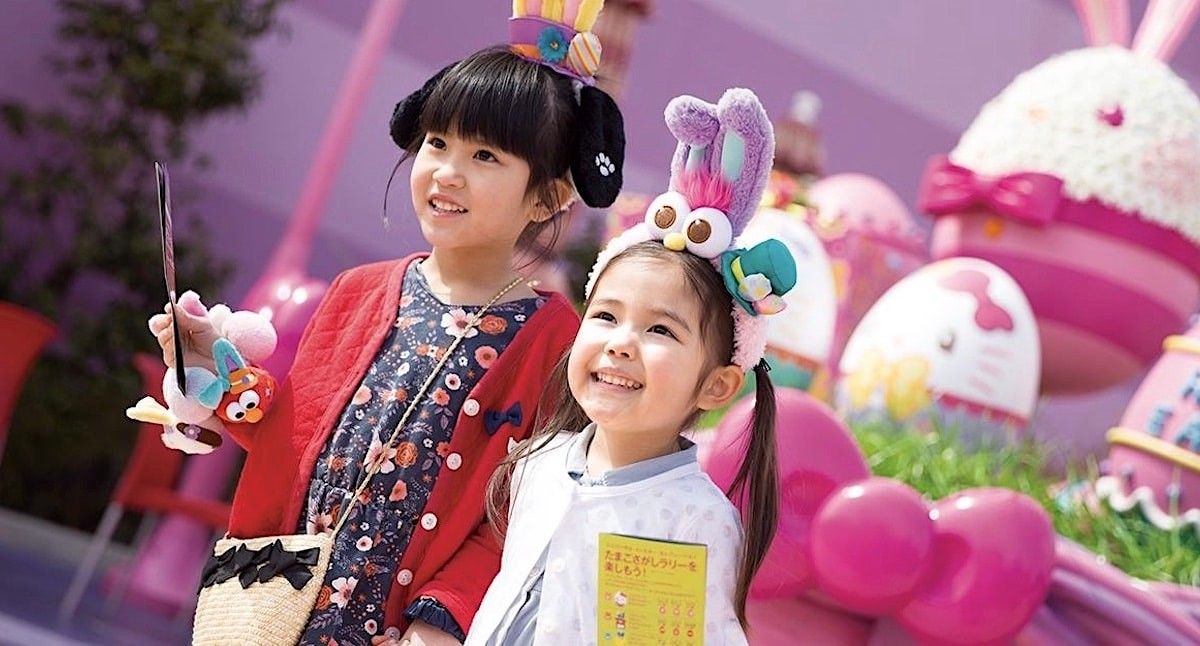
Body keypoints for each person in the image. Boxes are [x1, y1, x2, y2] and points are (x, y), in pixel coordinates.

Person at [149, 1, 626, 642]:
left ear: (548, 197)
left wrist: (442, 621)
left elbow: (521, 514)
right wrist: (217, 373)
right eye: (437, 142)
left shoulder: (558, 344)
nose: (447, 172)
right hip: (273, 613)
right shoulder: (357, 291)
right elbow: (296, 438)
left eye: (486, 156)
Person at [467, 88, 795, 645]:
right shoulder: (538, 461)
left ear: (717, 385)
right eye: (606, 316)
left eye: (660, 330)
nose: (621, 343)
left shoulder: (694, 520)